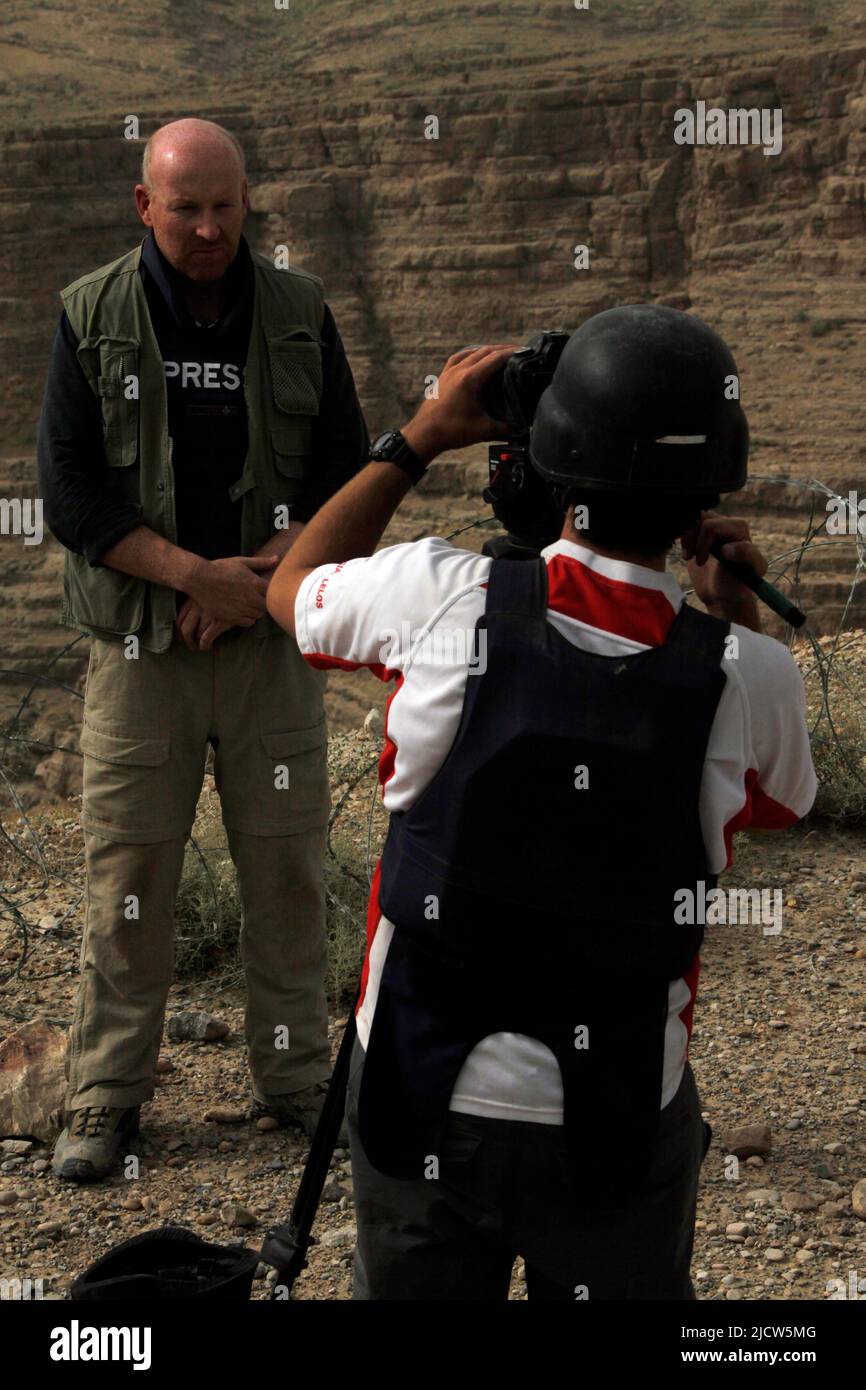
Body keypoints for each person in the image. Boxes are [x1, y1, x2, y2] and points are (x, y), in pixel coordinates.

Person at [266, 305, 818, 1300]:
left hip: (416, 1097)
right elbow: (770, 803)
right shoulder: (751, 677)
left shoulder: (436, 594)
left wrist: (422, 432)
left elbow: (292, 586)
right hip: (616, 1124)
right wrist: (727, 612)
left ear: (552, 458)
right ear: (704, 492)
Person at [39, 118, 368, 1182]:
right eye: (186, 206)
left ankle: (293, 1081)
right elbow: (72, 494)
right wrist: (194, 576)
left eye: (226, 204)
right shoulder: (89, 316)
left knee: (286, 868)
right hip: (144, 649)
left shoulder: (298, 312)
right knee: (129, 877)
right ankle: (105, 1096)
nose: (211, 225)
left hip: (264, 642)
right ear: (145, 206)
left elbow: (347, 481)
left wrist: (257, 579)